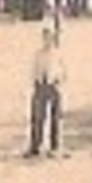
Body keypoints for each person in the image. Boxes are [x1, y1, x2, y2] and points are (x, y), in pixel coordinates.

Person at [26, 27, 66, 158]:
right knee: (38, 117)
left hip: (54, 86)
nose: (47, 41)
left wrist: (58, 81)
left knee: (56, 118)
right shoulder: (38, 54)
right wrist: (36, 82)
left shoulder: (58, 54)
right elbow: (34, 69)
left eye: (50, 38)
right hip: (41, 86)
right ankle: (35, 146)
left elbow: (63, 71)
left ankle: (55, 147)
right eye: (45, 38)